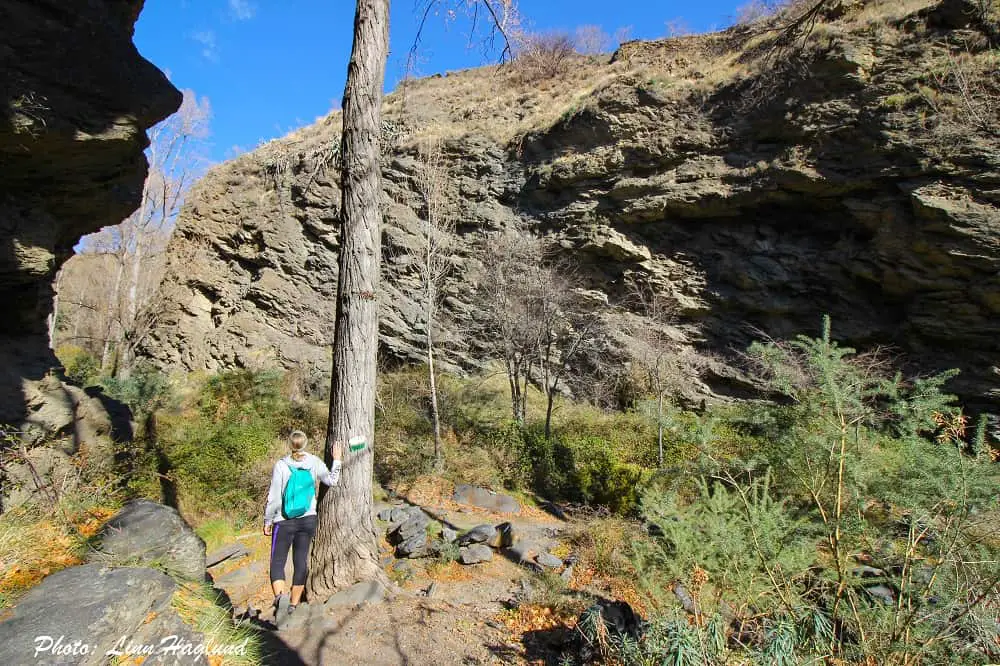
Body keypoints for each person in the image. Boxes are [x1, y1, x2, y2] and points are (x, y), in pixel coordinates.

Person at [263, 430, 342, 623]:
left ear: (289, 444)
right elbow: (332, 480)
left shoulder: (281, 465)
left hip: (283, 520)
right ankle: (292, 606)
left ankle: (280, 601)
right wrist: (337, 459)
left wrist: (267, 520)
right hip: (308, 520)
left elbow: (274, 498)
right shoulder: (314, 462)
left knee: (277, 563)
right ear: (305, 444)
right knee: (300, 562)